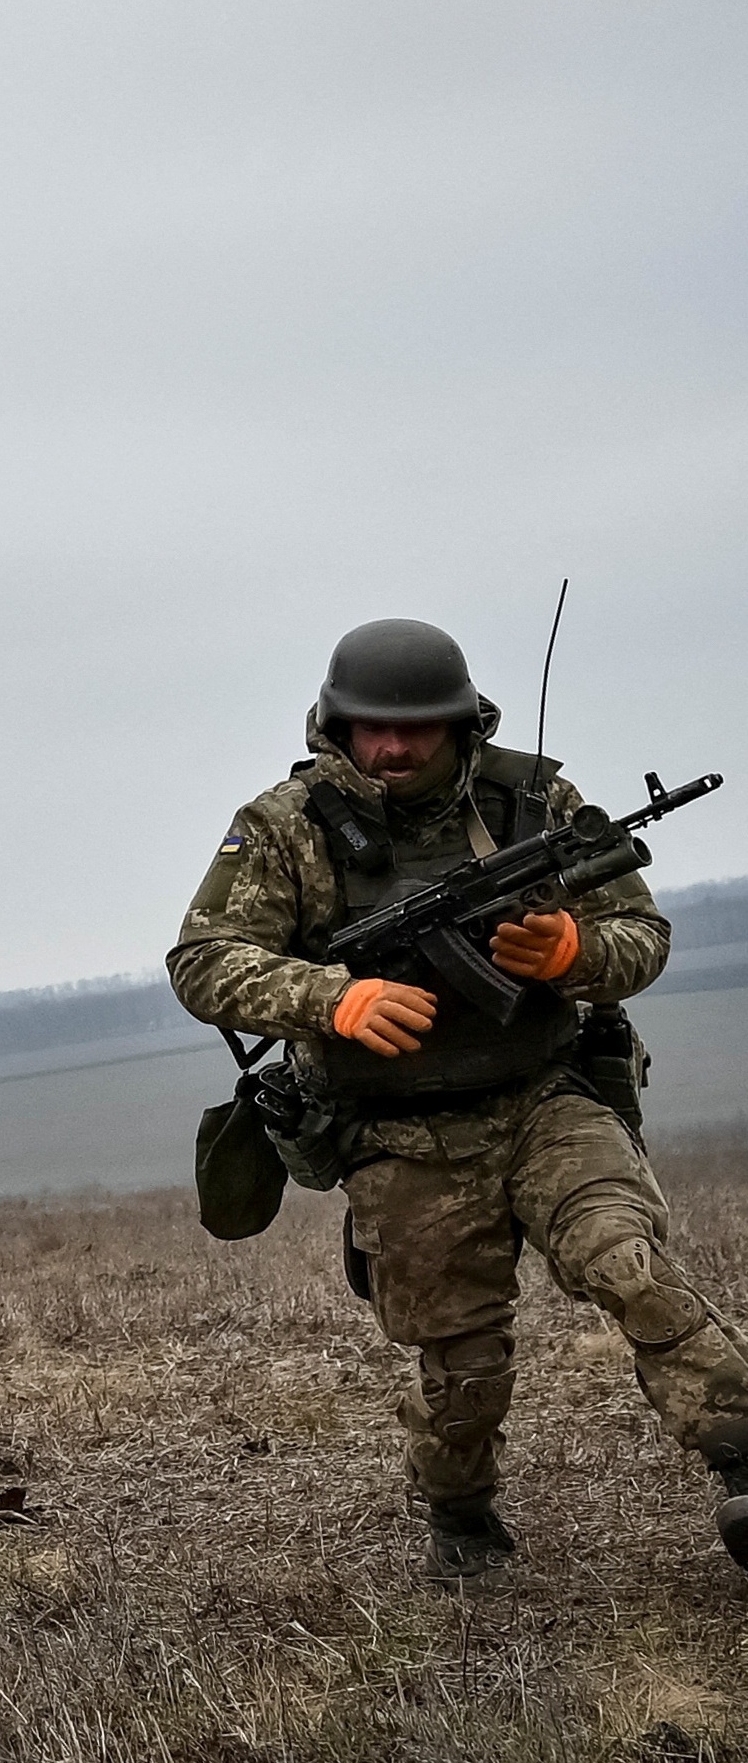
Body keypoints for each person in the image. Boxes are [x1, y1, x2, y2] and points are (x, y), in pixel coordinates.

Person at [167, 617, 748, 1581]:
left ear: (460, 722)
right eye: (369, 729)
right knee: (462, 1365)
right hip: (398, 1133)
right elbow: (201, 961)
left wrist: (578, 954)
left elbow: (640, 934)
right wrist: (332, 996)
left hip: (546, 1097)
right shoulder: (285, 826)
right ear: (336, 724)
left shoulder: (532, 800)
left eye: (417, 729)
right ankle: (461, 1512)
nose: (392, 748)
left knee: (631, 1266)